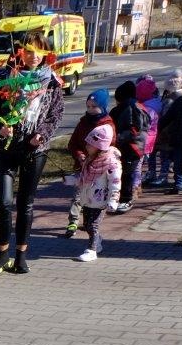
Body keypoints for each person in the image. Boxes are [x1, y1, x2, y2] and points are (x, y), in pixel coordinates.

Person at [0, 33, 65, 275]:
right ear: (20, 52)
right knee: (4, 203)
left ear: (46, 54)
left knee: (25, 204)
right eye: (29, 50)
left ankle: (21, 256)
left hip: (34, 150)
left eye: (39, 51)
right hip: (7, 148)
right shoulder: (7, 77)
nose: (34, 56)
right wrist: (0, 127)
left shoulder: (52, 82)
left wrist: (42, 134)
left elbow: (56, 115)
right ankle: (2, 255)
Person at [63, 89, 115, 237]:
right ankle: (73, 221)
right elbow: (73, 143)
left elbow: (110, 146)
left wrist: (97, 158)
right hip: (82, 166)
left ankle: (91, 223)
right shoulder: (83, 122)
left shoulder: (107, 125)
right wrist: (79, 155)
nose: (90, 109)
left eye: (94, 106)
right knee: (78, 194)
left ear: (103, 107)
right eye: (88, 106)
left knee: (93, 197)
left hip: (99, 169)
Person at [70, 124, 122, 263]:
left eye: (90, 144)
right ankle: (97, 241)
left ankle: (91, 250)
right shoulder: (90, 160)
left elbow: (115, 183)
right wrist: (72, 180)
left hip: (100, 201)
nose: (87, 146)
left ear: (100, 146)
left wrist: (113, 199)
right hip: (88, 198)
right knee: (87, 225)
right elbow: (84, 178)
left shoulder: (111, 163)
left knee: (93, 225)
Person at [108, 81, 148, 213]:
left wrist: (117, 137)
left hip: (132, 148)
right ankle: (116, 198)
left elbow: (134, 130)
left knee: (126, 174)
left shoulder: (132, 109)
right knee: (118, 173)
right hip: (124, 146)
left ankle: (126, 199)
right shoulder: (126, 108)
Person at [145, 70, 182, 186]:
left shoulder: (170, 100)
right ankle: (160, 174)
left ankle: (161, 175)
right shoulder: (181, 97)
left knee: (163, 154)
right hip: (172, 130)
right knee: (164, 154)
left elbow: (165, 117)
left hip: (165, 131)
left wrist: (160, 129)